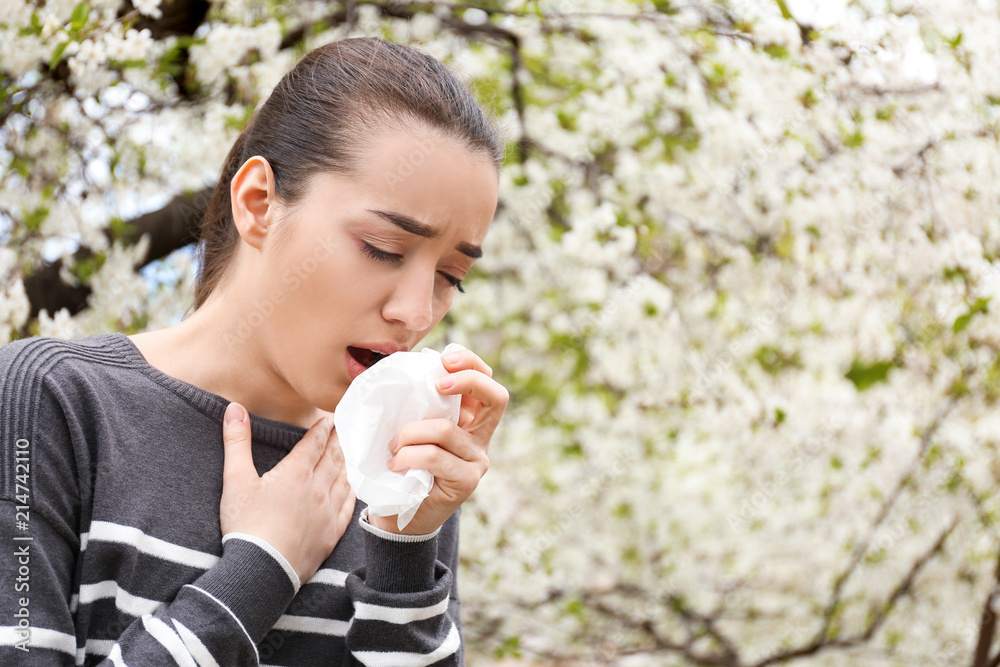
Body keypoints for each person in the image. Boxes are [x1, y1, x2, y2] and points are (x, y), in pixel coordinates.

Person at [0, 36, 508, 665]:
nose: (417, 312)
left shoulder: (401, 471)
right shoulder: (54, 403)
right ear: (259, 204)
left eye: (451, 276)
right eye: (383, 248)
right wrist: (260, 570)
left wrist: (407, 546)